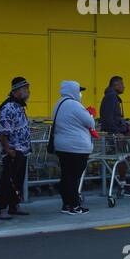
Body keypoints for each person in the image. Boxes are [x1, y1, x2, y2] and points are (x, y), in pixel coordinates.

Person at [52, 80, 96, 214]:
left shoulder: (58, 104)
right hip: (76, 147)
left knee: (66, 176)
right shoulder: (75, 105)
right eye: (79, 91)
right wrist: (90, 114)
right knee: (74, 177)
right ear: (72, 91)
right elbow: (90, 121)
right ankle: (74, 206)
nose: (80, 94)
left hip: (61, 146)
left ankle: (66, 204)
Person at [0, 76, 32, 220]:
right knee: (7, 181)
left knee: (17, 181)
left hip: (22, 151)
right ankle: (2, 208)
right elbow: (3, 132)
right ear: (17, 90)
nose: (28, 92)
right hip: (13, 151)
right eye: (26, 89)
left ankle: (14, 205)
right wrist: (9, 150)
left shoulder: (19, 106)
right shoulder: (8, 107)